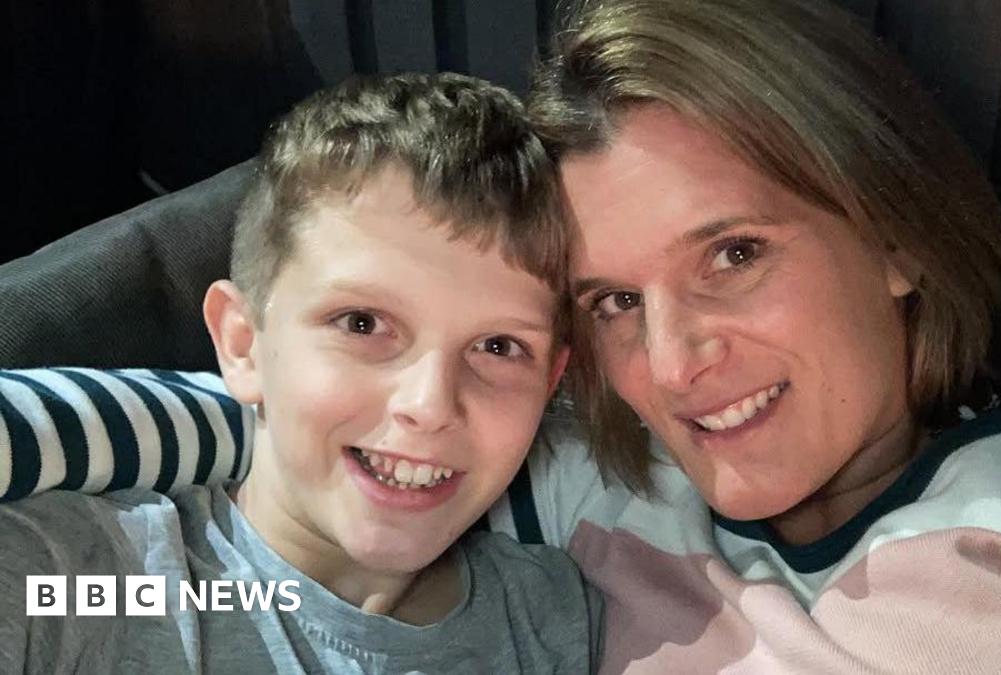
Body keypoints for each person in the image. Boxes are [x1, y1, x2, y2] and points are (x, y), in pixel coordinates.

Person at [1, 0, 1001, 673]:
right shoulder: (588, 483)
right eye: (615, 301)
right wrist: (266, 405)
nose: (674, 366)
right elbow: (300, 469)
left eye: (734, 254)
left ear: (895, 232)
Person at [0, 72, 602, 673]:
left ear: (550, 384)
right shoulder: (76, 586)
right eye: (362, 323)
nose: (430, 403)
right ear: (243, 345)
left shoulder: (562, 622)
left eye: (497, 346)